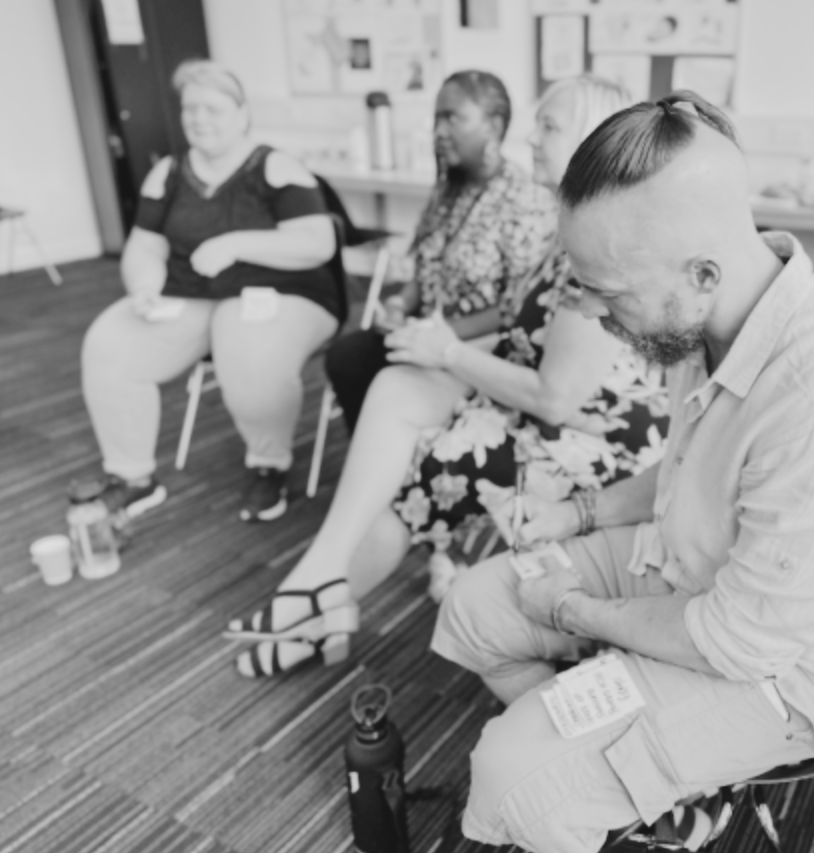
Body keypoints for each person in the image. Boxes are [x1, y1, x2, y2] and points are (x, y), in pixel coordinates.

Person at [429, 92, 814, 853]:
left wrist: (572, 610)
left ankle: (605, 771)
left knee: (509, 776)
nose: (592, 311)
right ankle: (644, 791)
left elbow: (735, 640)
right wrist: (580, 511)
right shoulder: (712, 317)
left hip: (780, 672)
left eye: (607, 292)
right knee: (474, 608)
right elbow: (691, 470)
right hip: (690, 567)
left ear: (702, 272)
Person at [223, 75, 669, 679]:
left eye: (549, 127)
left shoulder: (600, 245)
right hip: (537, 407)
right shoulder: (567, 226)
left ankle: (317, 605)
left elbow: (557, 398)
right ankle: (319, 587)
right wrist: (429, 343)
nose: (530, 138)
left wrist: (449, 353)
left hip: (593, 445)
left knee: (414, 468)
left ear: (595, 139)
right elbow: (520, 332)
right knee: (394, 387)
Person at [79, 60, 341, 523]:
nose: (199, 118)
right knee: (108, 341)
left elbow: (317, 243)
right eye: (189, 109)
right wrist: (143, 285)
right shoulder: (167, 173)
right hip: (193, 295)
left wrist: (237, 244)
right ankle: (133, 477)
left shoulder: (275, 166)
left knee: (245, 340)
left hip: (285, 294)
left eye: (213, 108)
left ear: (242, 114)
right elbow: (144, 246)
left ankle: (268, 463)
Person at [324, 69, 556, 432]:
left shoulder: (526, 200)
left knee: (373, 370)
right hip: (422, 329)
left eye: (453, 117)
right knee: (346, 356)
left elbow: (516, 306)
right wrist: (400, 304)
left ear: (493, 126)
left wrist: (440, 333)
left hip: (478, 345)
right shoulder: (448, 190)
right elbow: (424, 269)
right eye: (436, 118)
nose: (439, 131)